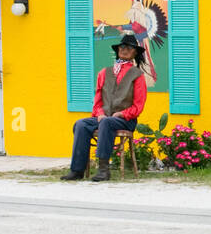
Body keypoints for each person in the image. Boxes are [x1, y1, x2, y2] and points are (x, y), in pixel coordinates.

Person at [63, 34, 148, 182]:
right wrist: (100, 113)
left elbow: (138, 105)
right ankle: (77, 170)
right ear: (118, 50)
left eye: (129, 48)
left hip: (125, 120)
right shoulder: (104, 72)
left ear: (135, 52)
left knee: (106, 123)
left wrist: (122, 113)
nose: (125, 50)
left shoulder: (137, 75)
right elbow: (97, 100)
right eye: (122, 47)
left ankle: (103, 169)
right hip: (104, 117)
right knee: (81, 124)